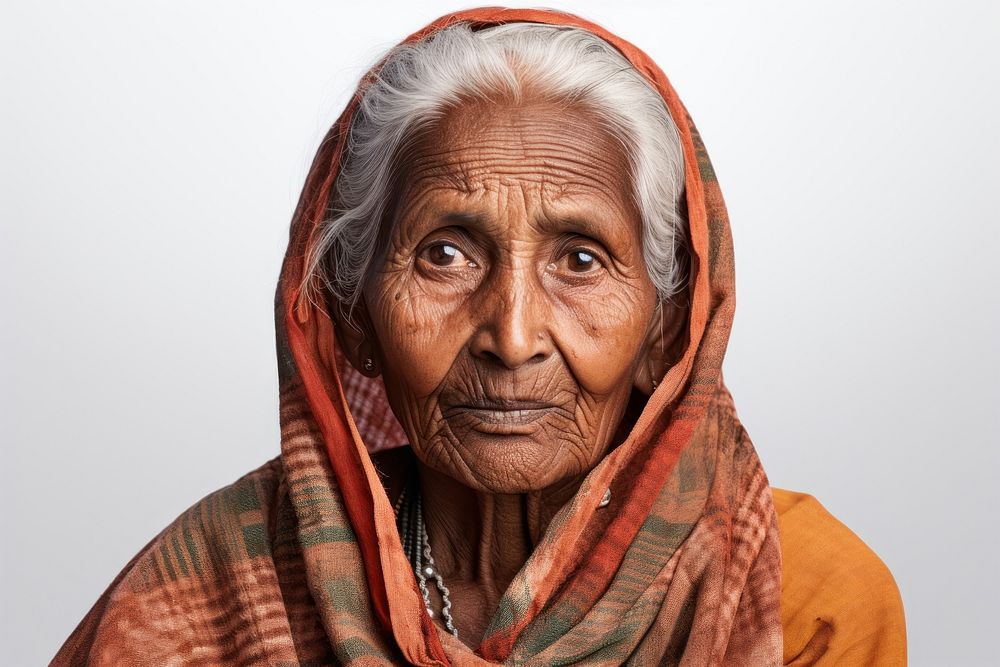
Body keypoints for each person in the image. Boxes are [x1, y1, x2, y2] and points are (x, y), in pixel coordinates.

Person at [52, 7, 906, 666]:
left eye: (579, 258)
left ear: (667, 326)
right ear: (351, 318)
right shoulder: (217, 587)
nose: (512, 333)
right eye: (445, 254)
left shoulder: (804, 595)